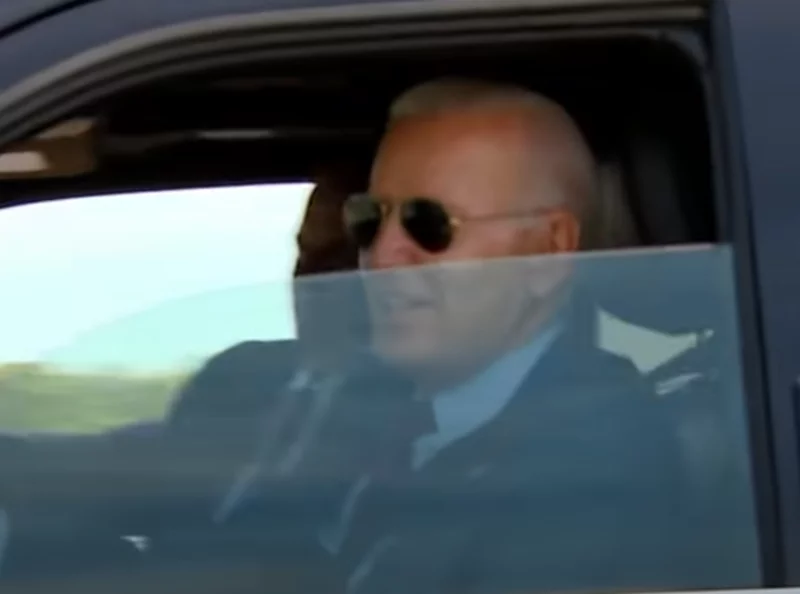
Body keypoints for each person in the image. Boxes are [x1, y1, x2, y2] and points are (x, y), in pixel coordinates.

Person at [324, 78, 692, 594]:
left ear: (547, 252)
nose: (382, 256)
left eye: (428, 224)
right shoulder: (384, 412)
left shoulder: (588, 469)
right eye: (369, 219)